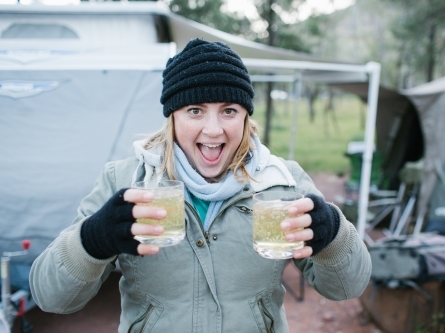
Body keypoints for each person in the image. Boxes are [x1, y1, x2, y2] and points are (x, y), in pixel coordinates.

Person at [30, 38, 371, 333]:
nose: (213, 130)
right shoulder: (126, 181)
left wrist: (334, 234)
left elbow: (347, 287)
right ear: (172, 116)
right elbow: (51, 297)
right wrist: (92, 240)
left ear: (246, 116)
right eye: (195, 110)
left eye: (228, 110)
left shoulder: (282, 182)